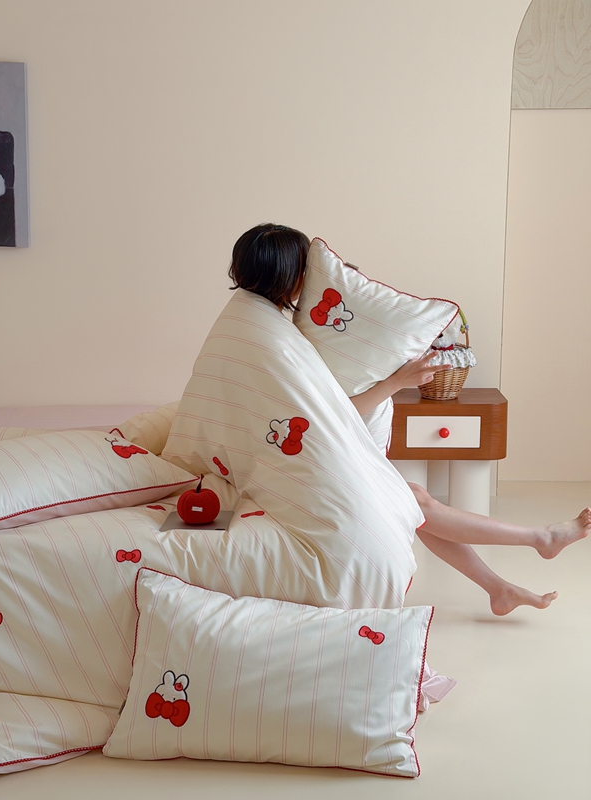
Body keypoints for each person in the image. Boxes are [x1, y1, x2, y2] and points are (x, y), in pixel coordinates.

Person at [229, 223, 591, 615]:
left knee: (415, 503)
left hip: (319, 459)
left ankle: (501, 587)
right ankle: (540, 539)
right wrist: (396, 381)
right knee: (414, 501)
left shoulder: (272, 325)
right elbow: (326, 416)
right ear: (290, 275)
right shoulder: (279, 338)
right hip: (307, 469)